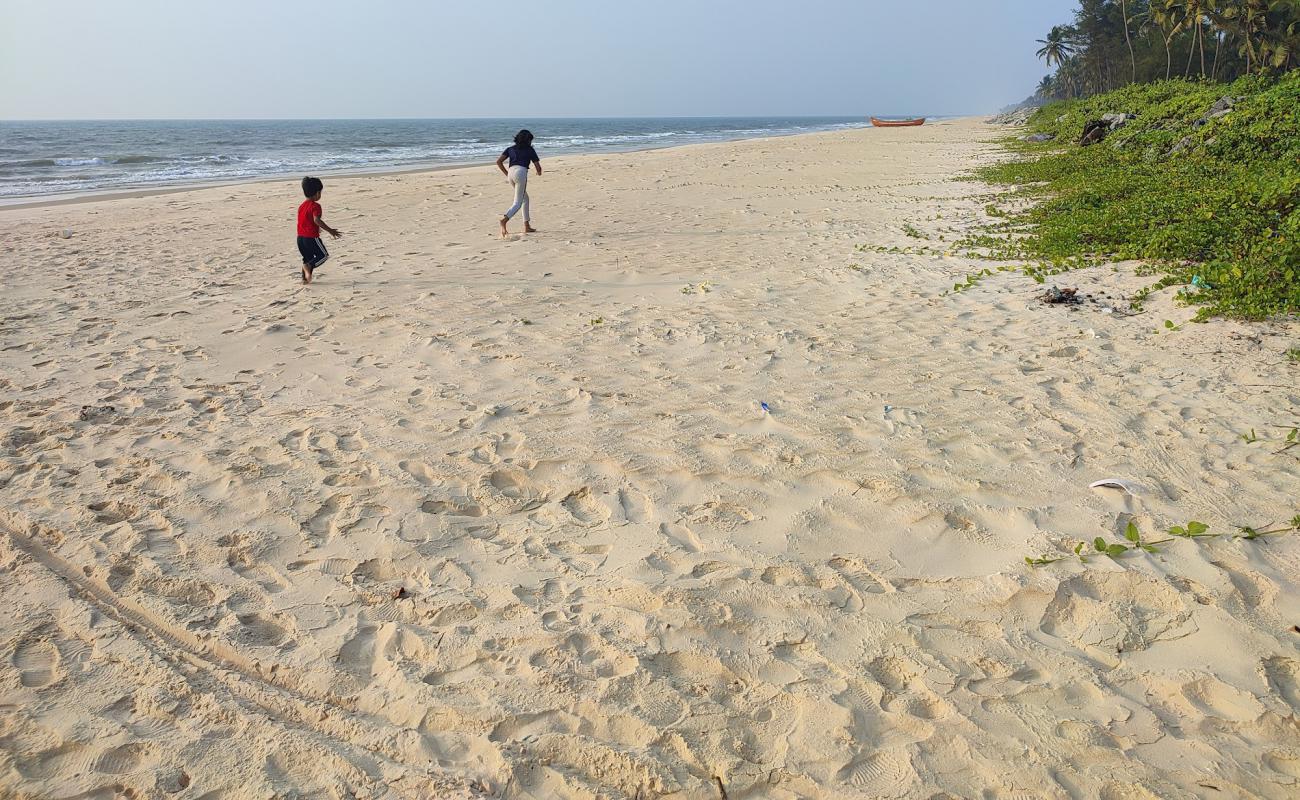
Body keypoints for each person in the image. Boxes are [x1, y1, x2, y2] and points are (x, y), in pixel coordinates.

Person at [496, 130, 542, 238]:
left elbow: (498, 162)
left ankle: (527, 226)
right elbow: (538, 166)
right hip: (521, 173)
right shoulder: (530, 150)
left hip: (510, 173)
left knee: (525, 198)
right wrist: (538, 172)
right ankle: (504, 220)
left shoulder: (510, 149)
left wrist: (507, 173)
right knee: (518, 202)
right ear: (528, 140)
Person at [297, 176, 343, 284]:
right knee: (323, 255)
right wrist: (330, 230)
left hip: (300, 238)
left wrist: (316, 228)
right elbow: (316, 220)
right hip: (311, 238)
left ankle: (305, 280)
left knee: (307, 258)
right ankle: (308, 267)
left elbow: (304, 221)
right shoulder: (316, 206)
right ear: (317, 193)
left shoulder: (302, 206)